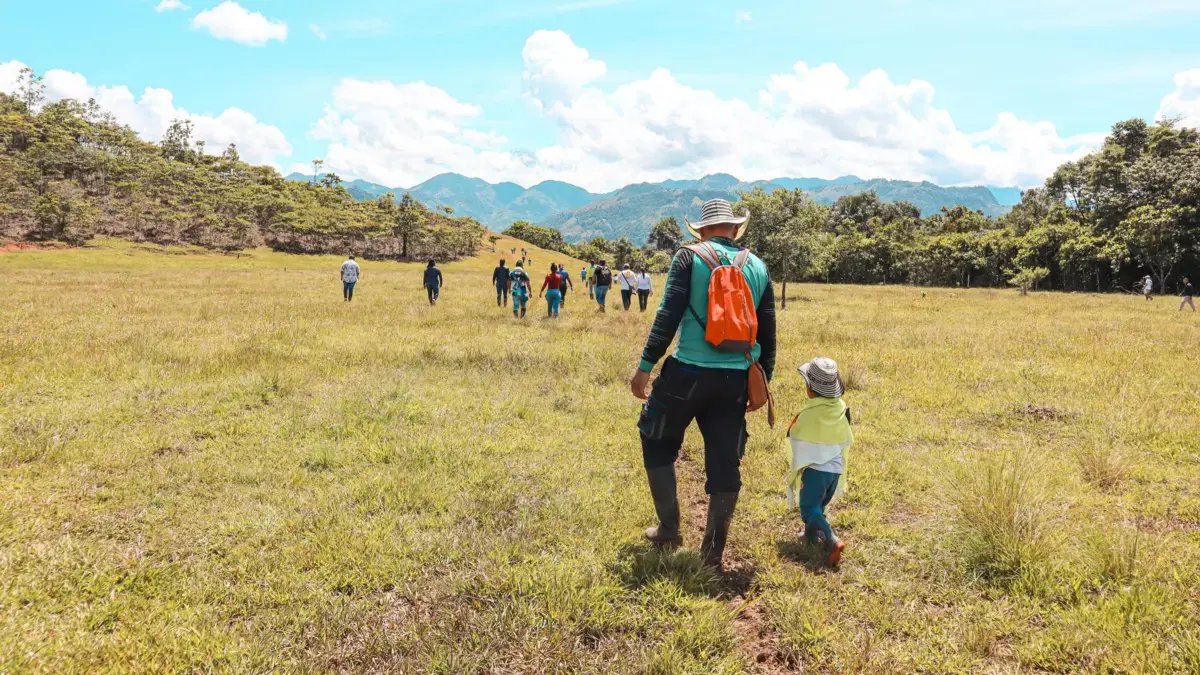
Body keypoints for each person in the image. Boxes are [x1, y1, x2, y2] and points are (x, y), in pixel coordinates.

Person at [630, 198, 777, 570]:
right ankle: (712, 553)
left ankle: (668, 529)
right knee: (725, 461)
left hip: (687, 375)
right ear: (735, 229)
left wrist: (645, 367)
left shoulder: (687, 257)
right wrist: (762, 382)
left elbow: (668, 315)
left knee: (656, 437)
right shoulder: (758, 266)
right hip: (735, 379)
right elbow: (768, 333)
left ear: (701, 231)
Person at [785, 357, 853, 567]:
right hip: (835, 471)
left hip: (816, 471)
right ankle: (810, 536)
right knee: (819, 505)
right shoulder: (840, 408)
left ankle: (832, 540)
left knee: (809, 508)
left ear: (811, 389)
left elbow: (795, 435)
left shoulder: (810, 413)